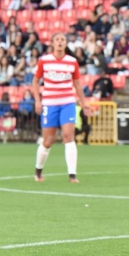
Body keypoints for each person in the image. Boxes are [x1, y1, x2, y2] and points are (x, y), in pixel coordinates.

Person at [32, 33, 91, 183]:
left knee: (68, 136)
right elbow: (35, 81)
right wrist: (38, 101)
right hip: (50, 103)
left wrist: (84, 103)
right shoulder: (44, 61)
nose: (59, 42)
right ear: (52, 43)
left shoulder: (72, 62)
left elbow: (77, 84)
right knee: (48, 140)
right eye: (57, 39)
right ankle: (38, 170)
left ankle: (72, 175)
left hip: (67, 103)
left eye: (62, 40)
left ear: (66, 43)